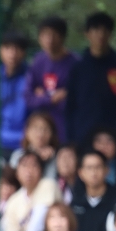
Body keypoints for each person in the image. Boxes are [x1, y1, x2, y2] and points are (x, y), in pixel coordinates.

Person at [65, 12, 116, 145]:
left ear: (110, 34)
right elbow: (70, 106)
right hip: (82, 135)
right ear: (87, 34)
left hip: (113, 136)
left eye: (105, 30)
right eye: (96, 29)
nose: (101, 34)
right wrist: (71, 138)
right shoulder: (78, 68)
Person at [24, 16, 79, 144]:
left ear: (63, 37)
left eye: (54, 35)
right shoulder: (38, 61)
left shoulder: (76, 64)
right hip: (41, 134)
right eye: (45, 35)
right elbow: (28, 98)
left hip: (67, 131)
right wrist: (52, 98)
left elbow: (74, 101)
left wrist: (43, 96)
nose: (49, 39)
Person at [1, 152, 62, 231]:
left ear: (41, 170)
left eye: (33, 166)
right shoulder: (13, 200)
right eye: (24, 166)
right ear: (17, 174)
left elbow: (39, 220)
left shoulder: (48, 185)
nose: (29, 171)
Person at [70, 150, 116, 231]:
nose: (94, 172)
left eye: (98, 167)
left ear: (107, 170)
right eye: (89, 168)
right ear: (80, 173)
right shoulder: (75, 201)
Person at [0, 31, 30, 158]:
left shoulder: (31, 77)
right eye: (7, 48)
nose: (12, 54)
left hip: (24, 144)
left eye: (17, 49)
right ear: (0, 50)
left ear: (24, 52)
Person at [9, 111, 60, 180]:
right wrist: (37, 156)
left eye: (45, 129)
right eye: (36, 128)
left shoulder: (57, 156)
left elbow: (51, 181)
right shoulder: (18, 155)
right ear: (27, 132)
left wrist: (48, 161)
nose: (40, 134)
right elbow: (12, 181)